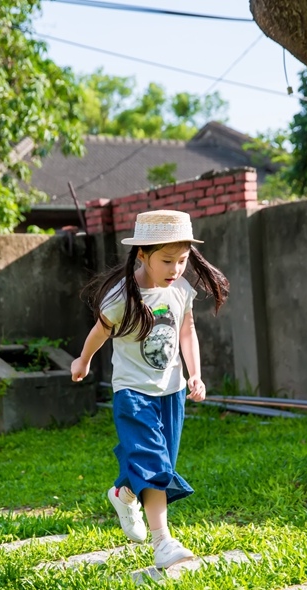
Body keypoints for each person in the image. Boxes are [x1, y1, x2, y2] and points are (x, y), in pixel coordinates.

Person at [70, 210, 229, 569]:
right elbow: (100, 331)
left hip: (170, 392)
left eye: (183, 260)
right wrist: (83, 360)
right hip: (133, 392)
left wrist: (194, 373)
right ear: (142, 254)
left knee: (161, 462)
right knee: (155, 464)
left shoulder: (181, 290)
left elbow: (187, 331)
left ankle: (123, 492)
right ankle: (163, 542)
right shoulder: (122, 296)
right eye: (167, 260)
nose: (176, 269)